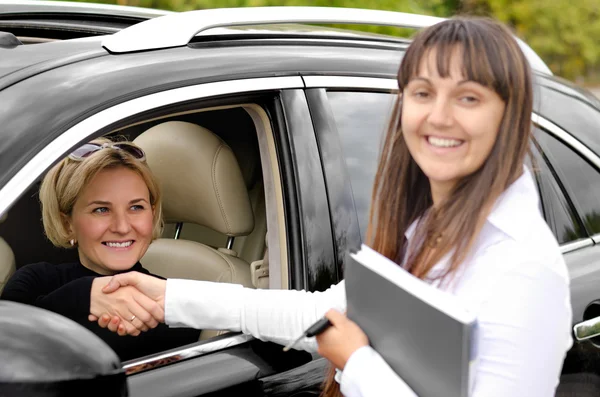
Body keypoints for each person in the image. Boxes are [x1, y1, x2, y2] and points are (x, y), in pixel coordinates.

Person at [91, 17, 572, 396]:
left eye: (468, 97)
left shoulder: (523, 267)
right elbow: (325, 312)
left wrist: (355, 362)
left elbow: (343, 334)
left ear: (510, 114)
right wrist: (167, 297)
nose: (439, 116)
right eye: (424, 93)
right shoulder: (428, 226)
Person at [0, 139, 199, 361]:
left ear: (152, 215)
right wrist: (83, 296)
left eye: (136, 207)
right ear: (67, 223)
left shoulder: (168, 301)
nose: (122, 227)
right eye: (101, 209)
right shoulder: (34, 281)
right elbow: (8, 344)